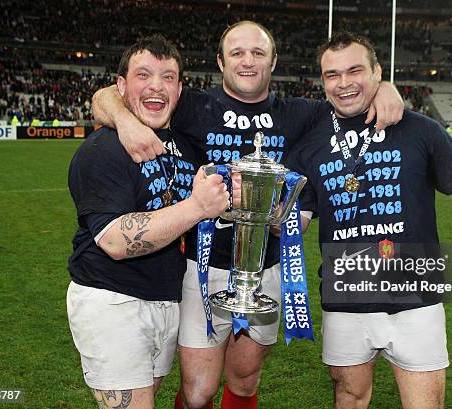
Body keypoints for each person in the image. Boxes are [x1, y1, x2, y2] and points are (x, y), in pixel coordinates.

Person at [91, 21, 404, 409]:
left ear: (273, 60)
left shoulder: (303, 114)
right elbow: (107, 95)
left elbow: (351, 98)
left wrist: (385, 87)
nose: (248, 61)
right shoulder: (191, 105)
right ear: (221, 61)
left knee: (244, 381)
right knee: (199, 391)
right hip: (201, 268)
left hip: (266, 267)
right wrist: (123, 120)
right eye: (237, 52)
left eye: (258, 52)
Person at [286, 32, 452, 409]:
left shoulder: (420, 130)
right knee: (349, 396)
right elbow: (297, 222)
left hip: (415, 300)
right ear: (322, 81)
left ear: (378, 72)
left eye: (354, 70)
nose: (343, 83)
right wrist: (264, 217)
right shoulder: (310, 145)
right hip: (345, 300)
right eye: (331, 74)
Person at [67, 35, 230, 409]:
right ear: (121, 86)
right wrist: (197, 207)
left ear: (180, 89)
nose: (156, 85)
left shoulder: (185, 144)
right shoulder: (102, 149)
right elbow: (114, 241)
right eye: (143, 75)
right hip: (113, 300)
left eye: (168, 77)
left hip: (165, 300)